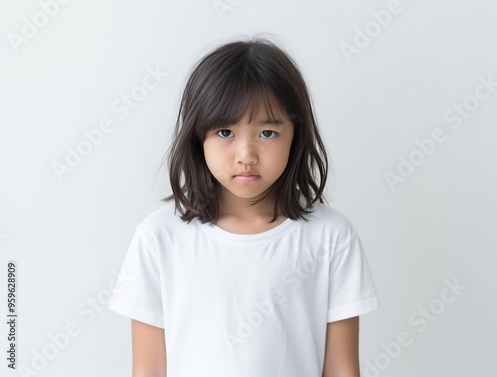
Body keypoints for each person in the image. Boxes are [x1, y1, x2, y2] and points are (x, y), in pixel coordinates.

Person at [108, 35, 380, 377]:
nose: (246, 155)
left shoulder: (331, 236)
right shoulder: (158, 238)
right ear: (198, 136)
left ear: (296, 134)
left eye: (267, 133)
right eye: (225, 132)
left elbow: (342, 370)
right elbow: (148, 370)